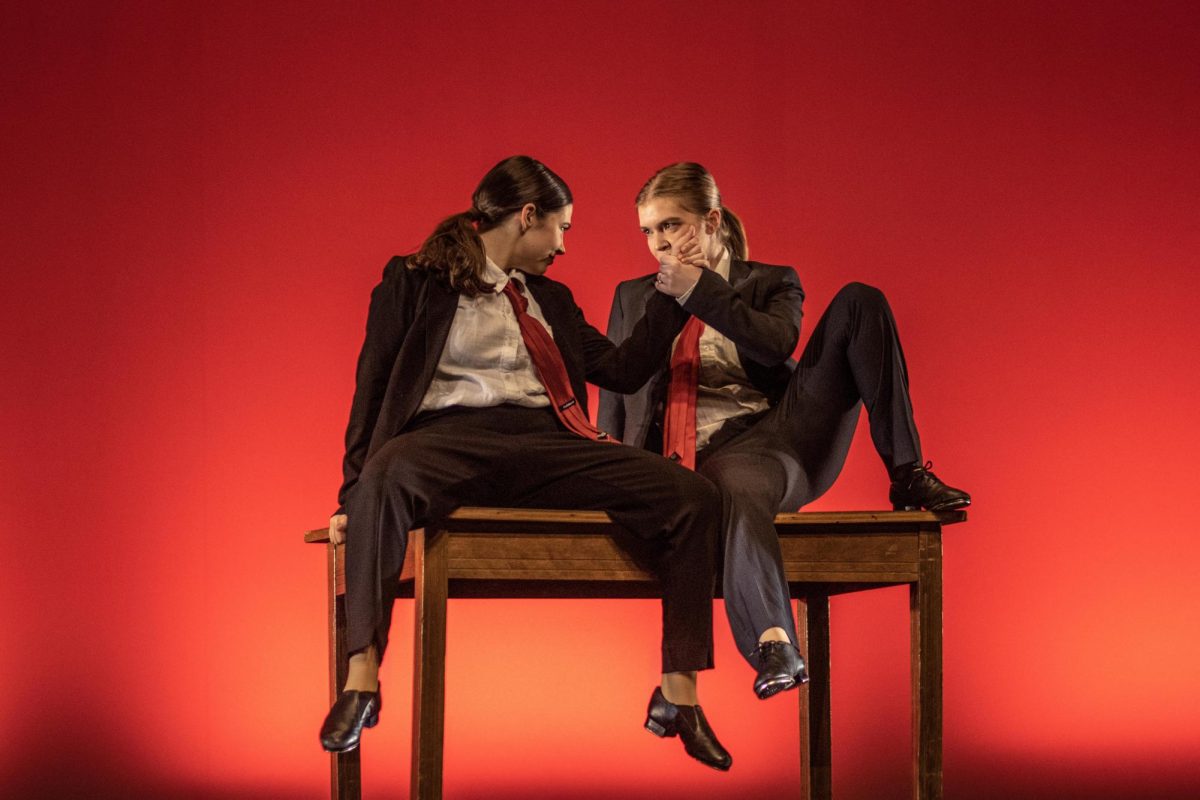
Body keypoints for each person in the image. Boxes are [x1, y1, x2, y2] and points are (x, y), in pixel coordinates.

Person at [319, 156, 732, 770]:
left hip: (549, 442)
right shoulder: (414, 280)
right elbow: (372, 385)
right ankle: (361, 681)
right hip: (448, 439)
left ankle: (679, 693)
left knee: (693, 496)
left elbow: (621, 369)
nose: (563, 246)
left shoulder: (551, 301)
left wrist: (676, 293)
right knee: (386, 472)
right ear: (527, 216)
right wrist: (352, 493)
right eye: (560, 228)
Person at [598, 162, 970, 701]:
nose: (658, 244)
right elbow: (617, 394)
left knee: (860, 300)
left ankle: (907, 472)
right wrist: (610, 475)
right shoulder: (633, 296)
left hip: (779, 436)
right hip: (698, 460)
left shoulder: (771, 282)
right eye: (648, 231)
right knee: (737, 484)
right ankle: (777, 645)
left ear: (711, 221)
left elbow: (775, 345)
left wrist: (701, 290)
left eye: (671, 226)